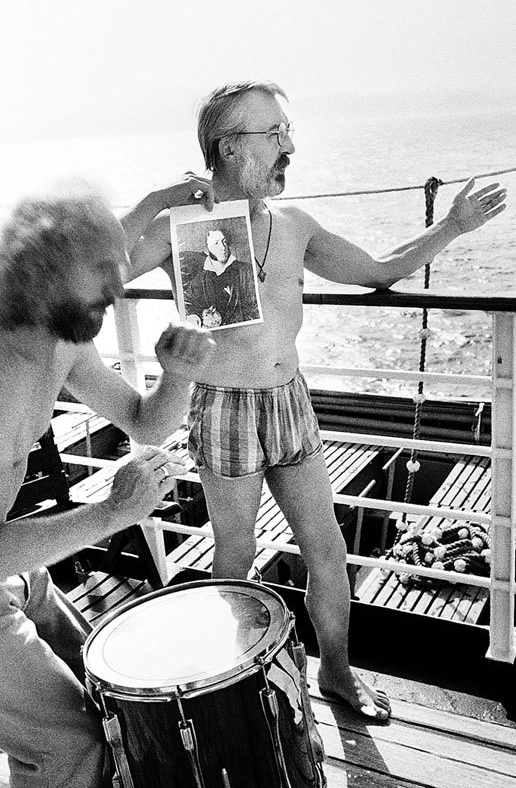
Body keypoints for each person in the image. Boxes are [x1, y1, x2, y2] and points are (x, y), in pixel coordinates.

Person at [125, 81, 507, 722]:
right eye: (274, 134)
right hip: (223, 405)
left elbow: (378, 270)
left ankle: (336, 671)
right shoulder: (178, 228)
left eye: (288, 131)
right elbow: (94, 274)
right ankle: (235, 690)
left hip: (290, 400)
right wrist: (157, 201)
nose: (290, 147)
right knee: (235, 556)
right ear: (228, 147)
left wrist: (452, 226)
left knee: (326, 549)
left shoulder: (295, 226)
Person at [0, 181, 215, 787]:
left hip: (12, 571)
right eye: (101, 271)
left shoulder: (63, 341)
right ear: (43, 271)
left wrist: (179, 375)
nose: (117, 288)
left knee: (107, 692)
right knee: (75, 745)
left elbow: (145, 421)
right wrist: (109, 514)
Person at [182, 227, 259, 327]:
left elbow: (257, 309)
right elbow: (187, 304)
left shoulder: (247, 271)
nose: (223, 247)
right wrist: (197, 316)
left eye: (224, 241)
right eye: (216, 243)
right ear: (207, 247)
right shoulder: (200, 279)